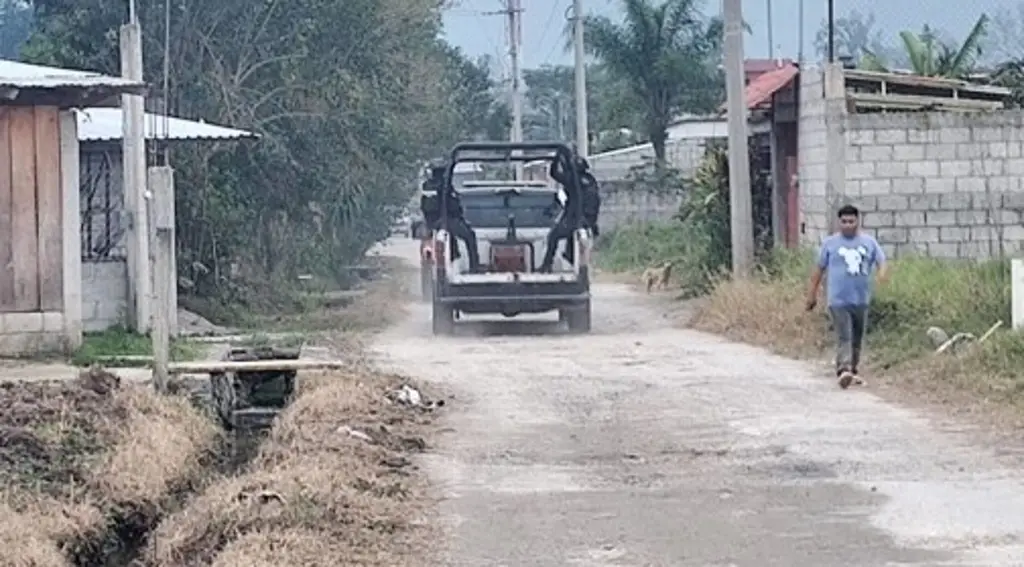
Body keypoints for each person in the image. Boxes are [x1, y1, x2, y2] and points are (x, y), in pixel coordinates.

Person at [804, 204, 888, 389]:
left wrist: (881, 275)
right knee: (845, 336)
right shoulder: (830, 244)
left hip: (861, 299)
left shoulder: (869, 242)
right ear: (839, 222)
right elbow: (818, 270)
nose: (848, 225)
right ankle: (843, 369)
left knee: (857, 337)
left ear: (858, 222)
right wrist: (812, 295)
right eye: (844, 222)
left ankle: (853, 370)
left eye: (851, 221)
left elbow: (881, 260)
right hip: (838, 300)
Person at [539, 154, 601, 272]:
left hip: (575, 217)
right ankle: (574, 261)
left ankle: (547, 264)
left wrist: (556, 159)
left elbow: (554, 173)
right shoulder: (591, 180)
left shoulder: (573, 180)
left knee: (553, 236)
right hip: (588, 219)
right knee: (573, 239)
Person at [420, 161, 479, 271]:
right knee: (470, 235)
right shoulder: (444, 186)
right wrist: (458, 211)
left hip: (432, 222)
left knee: (451, 238)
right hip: (445, 220)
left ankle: (454, 258)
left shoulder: (427, 186)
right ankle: (474, 266)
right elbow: (453, 206)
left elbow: (424, 207)